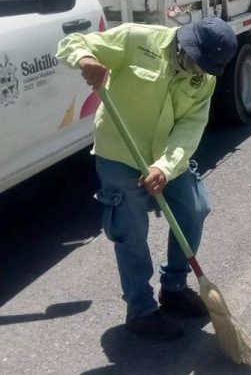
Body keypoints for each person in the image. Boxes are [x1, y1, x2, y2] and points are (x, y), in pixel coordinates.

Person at [56, 18, 238, 341]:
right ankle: (140, 308)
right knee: (131, 232)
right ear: (186, 44)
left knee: (194, 209)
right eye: (195, 63)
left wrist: (165, 168)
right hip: (120, 153)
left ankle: (175, 287)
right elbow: (72, 43)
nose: (197, 73)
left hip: (166, 158)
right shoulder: (136, 39)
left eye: (205, 69)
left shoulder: (204, 78)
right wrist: (86, 60)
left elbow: (190, 126)